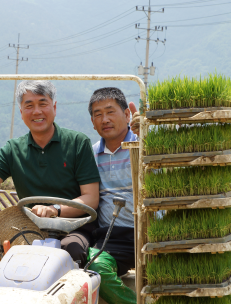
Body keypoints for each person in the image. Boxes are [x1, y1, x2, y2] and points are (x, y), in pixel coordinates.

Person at [0, 80, 101, 299]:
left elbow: (91, 199)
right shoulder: (13, 149)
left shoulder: (77, 143)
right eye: (29, 105)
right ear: (21, 112)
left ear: (54, 108)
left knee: (71, 249)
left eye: (42, 103)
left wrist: (55, 209)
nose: (37, 111)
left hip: (73, 225)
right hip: (28, 226)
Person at [87, 87, 139, 304]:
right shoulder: (90, 154)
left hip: (147, 233)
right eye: (98, 114)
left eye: (110, 111)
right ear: (92, 122)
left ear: (127, 115)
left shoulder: (144, 144)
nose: (104, 119)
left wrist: (147, 138)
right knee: (94, 267)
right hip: (110, 237)